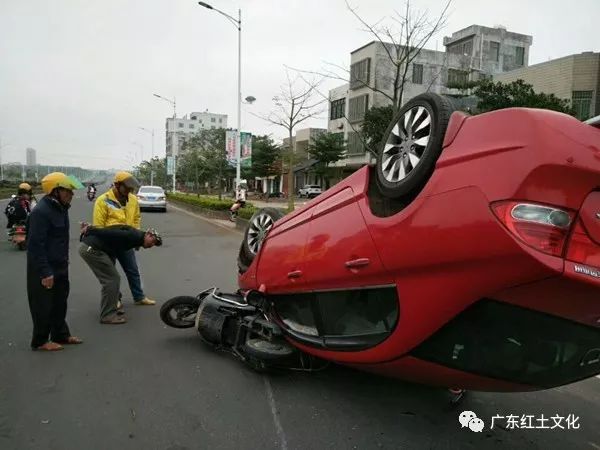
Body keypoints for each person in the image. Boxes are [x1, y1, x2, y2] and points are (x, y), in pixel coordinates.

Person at [27, 172, 84, 351]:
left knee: (60, 302)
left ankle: (60, 334)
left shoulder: (61, 208)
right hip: (44, 267)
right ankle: (40, 340)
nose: (71, 194)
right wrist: (45, 271)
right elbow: (35, 245)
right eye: (67, 191)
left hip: (60, 265)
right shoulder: (41, 212)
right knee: (43, 305)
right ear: (54, 191)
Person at [93, 171, 156, 307]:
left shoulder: (132, 199)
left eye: (131, 189)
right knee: (112, 275)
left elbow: (136, 218)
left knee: (133, 270)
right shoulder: (103, 200)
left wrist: (137, 237)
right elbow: (98, 226)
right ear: (117, 185)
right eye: (127, 188)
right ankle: (115, 299)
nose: (129, 191)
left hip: (127, 243)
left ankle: (139, 297)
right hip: (109, 243)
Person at [79, 224, 162, 324]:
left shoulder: (136, 237)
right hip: (91, 249)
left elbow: (120, 227)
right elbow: (110, 232)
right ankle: (107, 315)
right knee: (112, 280)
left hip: (96, 249)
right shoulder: (133, 236)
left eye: (154, 244)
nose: (152, 245)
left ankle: (111, 308)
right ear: (148, 235)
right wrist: (90, 230)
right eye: (152, 241)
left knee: (112, 279)